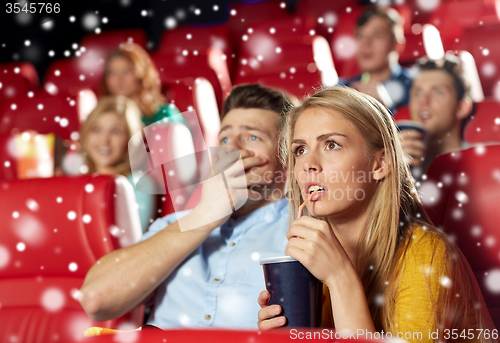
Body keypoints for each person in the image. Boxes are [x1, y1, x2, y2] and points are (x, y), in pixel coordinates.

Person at [257, 86, 495, 342]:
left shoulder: (425, 253)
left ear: (380, 164)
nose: (308, 164)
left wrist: (340, 279)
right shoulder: (315, 261)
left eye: (331, 144)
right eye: (300, 150)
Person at [79, 84, 290, 329]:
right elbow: (95, 300)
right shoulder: (171, 225)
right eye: (224, 138)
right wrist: (204, 216)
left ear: (287, 155)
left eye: (253, 136)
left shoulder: (306, 226)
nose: (229, 149)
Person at [80, 95, 157, 233]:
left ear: (130, 139)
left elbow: (131, 241)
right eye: (97, 129)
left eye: (115, 132)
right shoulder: (77, 180)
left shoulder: (139, 184)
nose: (104, 139)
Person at [400, 56, 473, 180]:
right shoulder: (396, 162)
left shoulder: (484, 160)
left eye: (437, 92)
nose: (423, 101)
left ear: (461, 107)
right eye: (417, 93)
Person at [343, 7, 411, 113]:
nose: (366, 43)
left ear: (397, 45)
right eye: (360, 36)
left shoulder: (416, 87)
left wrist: (387, 108)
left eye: (377, 36)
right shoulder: (343, 89)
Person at [100, 42, 184, 127]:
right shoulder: (101, 117)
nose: (119, 78)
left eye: (127, 71)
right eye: (112, 73)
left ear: (142, 74)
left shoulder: (164, 114)